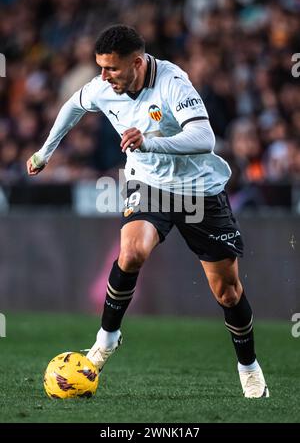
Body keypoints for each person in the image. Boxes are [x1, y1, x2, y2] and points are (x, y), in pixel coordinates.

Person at [27, 24, 269, 398]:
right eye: (100, 68)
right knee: (132, 252)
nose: (104, 78)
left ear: (137, 63)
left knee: (227, 292)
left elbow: (205, 138)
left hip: (198, 191)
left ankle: (249, 367)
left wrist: (152, 142)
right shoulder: (103, 88)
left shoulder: (173, 83)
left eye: (112, 69)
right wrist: (46, 151)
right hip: (149, 186)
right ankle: (106, 339)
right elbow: (73, 106)